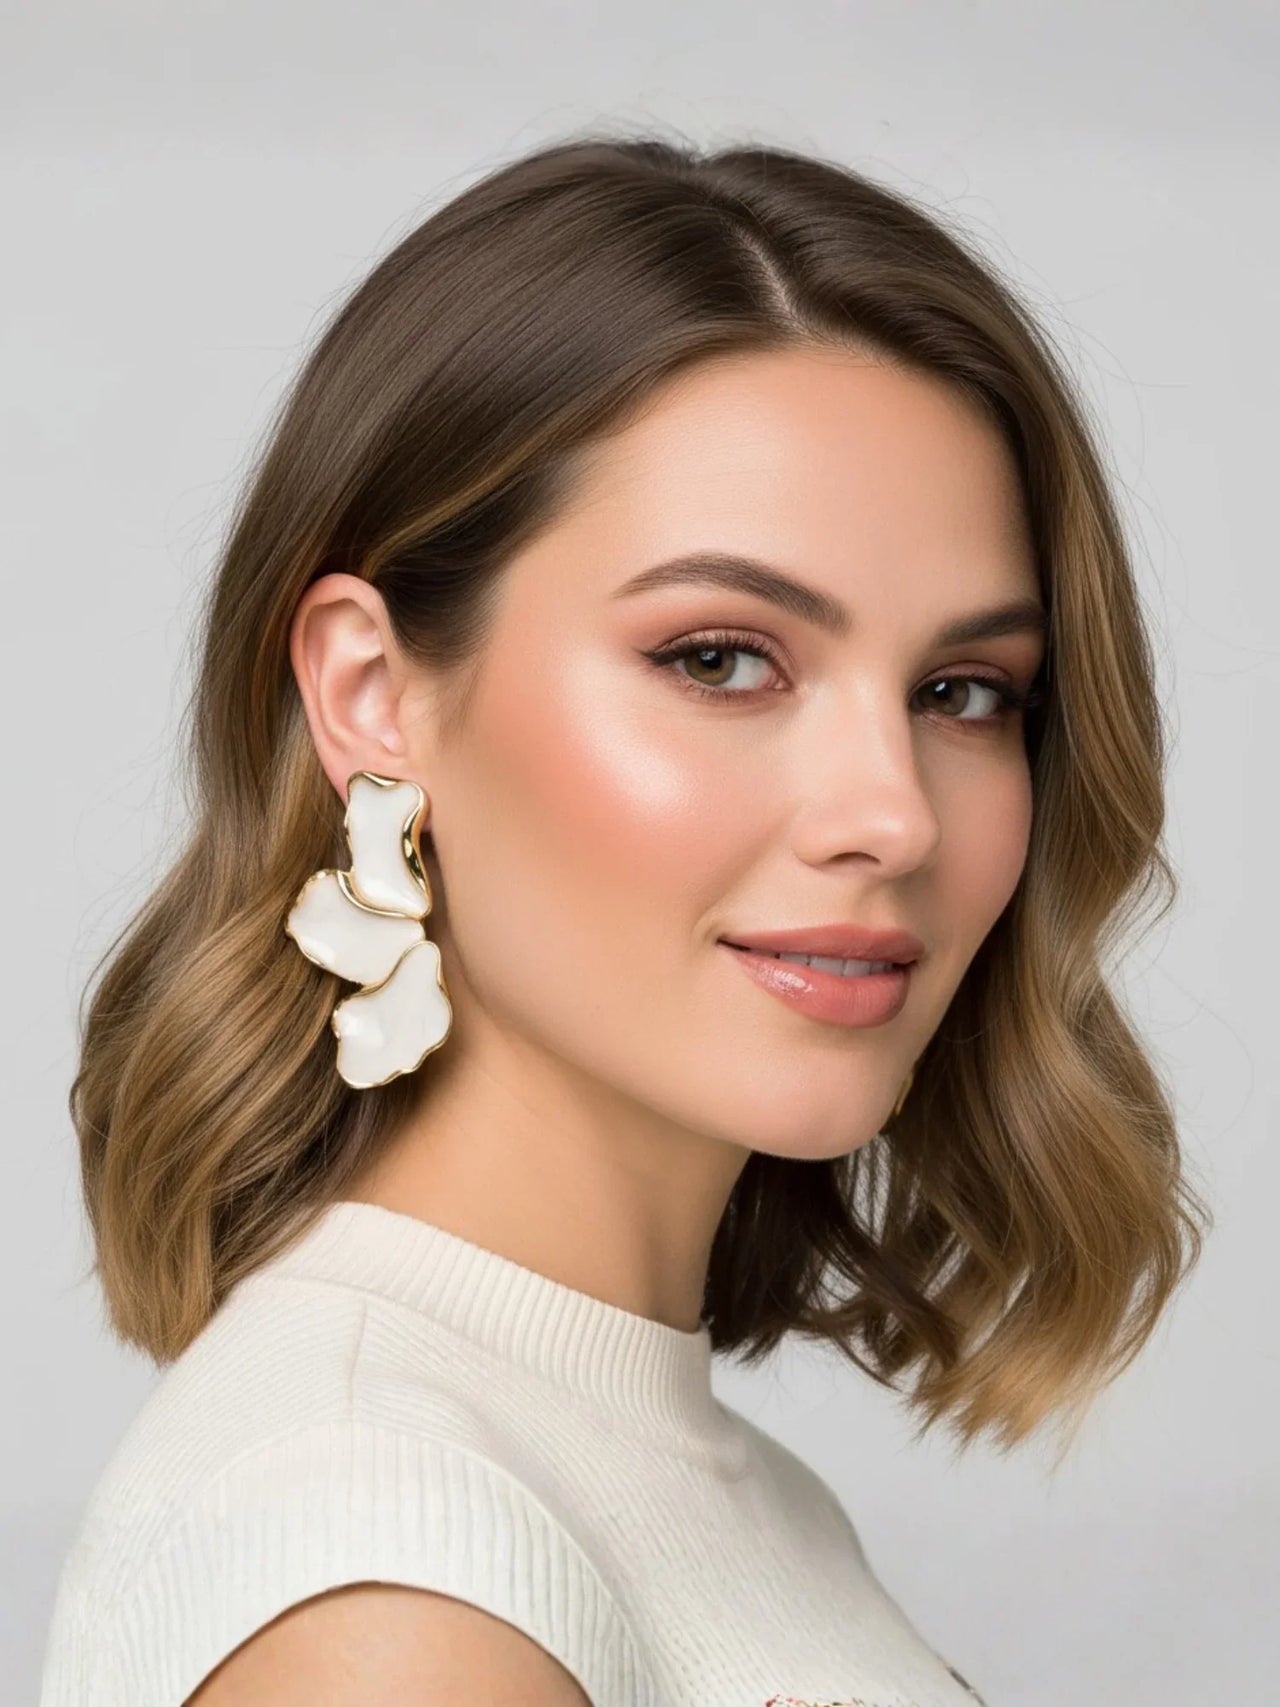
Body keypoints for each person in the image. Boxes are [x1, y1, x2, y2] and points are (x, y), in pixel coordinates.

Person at [38, 132, 1209, 1707]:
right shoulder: (388, 1557)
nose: (894, 813)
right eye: (722, 657)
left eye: (964, 691)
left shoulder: (673, 1490)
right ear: (374, 697)